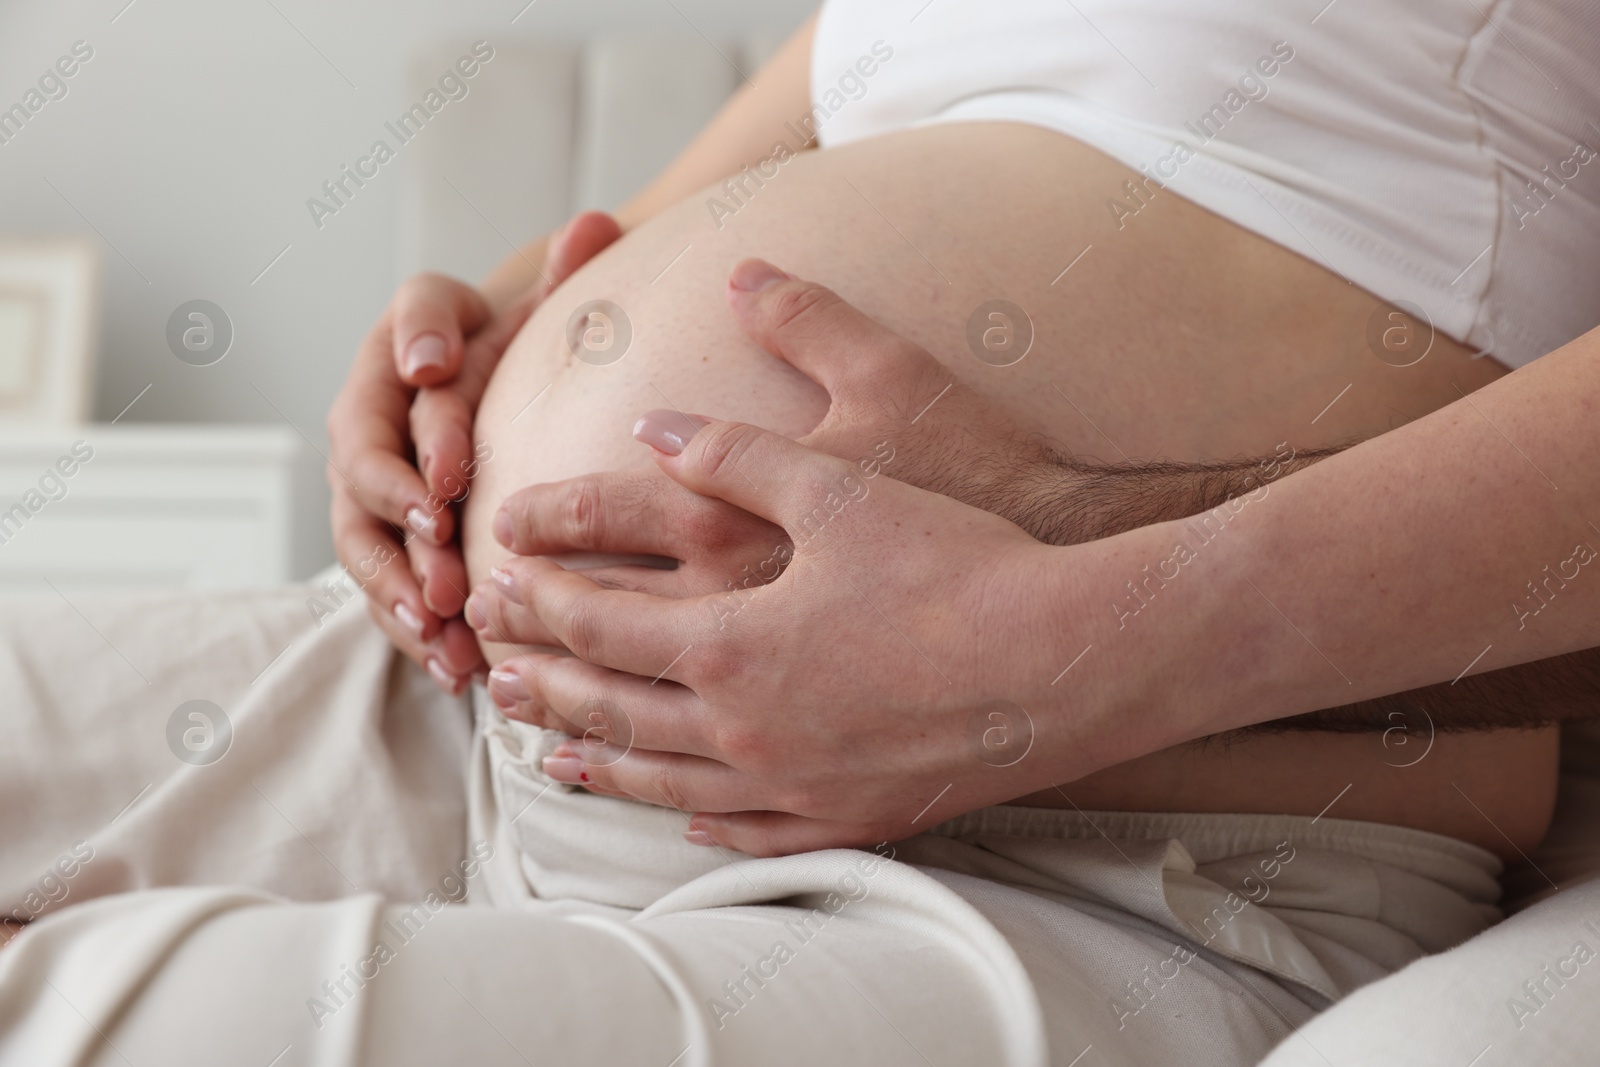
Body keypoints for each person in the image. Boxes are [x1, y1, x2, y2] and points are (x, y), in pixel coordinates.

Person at [4, 3, 1598, 1065]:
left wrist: (1073, 625)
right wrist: (499, 331)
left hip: (1086, 874)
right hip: (465, 697)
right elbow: (848, 94)